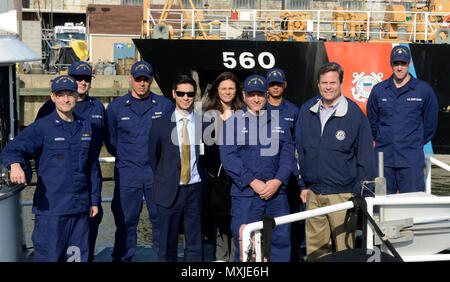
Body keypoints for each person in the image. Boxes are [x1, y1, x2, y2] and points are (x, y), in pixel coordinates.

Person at [0, 75, 101, 262]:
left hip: (80, 210)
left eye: (69, 94)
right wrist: (15, 166)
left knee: (78, 258)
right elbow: (11, 150)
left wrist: (94, 201)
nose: (66, 99)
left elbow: (92, 168)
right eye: (60, 95)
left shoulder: (86, 127)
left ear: (76, 96)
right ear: (52, 97)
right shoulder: (42, 127)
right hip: (52, 212)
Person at [295, 62, 375, 261]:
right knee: (316, 252)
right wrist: (303, 185)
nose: (328, 87)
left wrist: (358, 193)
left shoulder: (355, 114)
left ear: (341, 83)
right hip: (314, 193)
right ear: (318, 84)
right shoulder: (307, 111)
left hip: (343, 195)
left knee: (344, 250)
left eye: (332, 82)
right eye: (324, 83)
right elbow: (299, 150)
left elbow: (366, 157)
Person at [35, 61, 106, 262]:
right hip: (59, 186)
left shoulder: (98, 107)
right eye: (78, 78)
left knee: (86, 236)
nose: (82, 82)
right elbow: (35, 142)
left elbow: (110, 140)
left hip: (89, 178)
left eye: (87, 79)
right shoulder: (49, 109)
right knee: (54, 244)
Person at [219, 74, 295, 262]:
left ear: (266, 95)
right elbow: (229, 159)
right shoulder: (232, 123)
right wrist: (253, 182)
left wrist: (277, 182)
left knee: (279, 243)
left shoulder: (281, 122)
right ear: (244, 96)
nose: (256, 99)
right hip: (246, 195)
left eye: (260, 94)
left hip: (277, 196)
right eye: (251, 94)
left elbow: (288, 158)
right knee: (246, 245)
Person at [105, 61, 174, 262]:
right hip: (128, 174)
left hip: (157, 174)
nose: (142, 83)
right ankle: (122, 258)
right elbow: (110, 141)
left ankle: (165, 258)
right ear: (131, 78)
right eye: (138, 79)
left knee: (161, 221)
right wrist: (128, 158)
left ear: (151, 80)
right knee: (126, 221)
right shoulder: (116, 107)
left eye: (145, 79)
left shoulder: (164, 105)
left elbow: (171, 139)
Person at [148, 74, 209, 262]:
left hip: (195, 190)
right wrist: (168, 177)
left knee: (195, 244)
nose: (185, 97)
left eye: (189, 94)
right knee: (166, 246)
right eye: (181, 93)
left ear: (195, 96)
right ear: (174, 94)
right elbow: (153, 157)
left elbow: (208, 158)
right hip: (168, 190)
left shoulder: (205, 124)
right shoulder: (159, 124)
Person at [367, 45, 439, 194]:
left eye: (403, 63)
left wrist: (413, 142)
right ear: (391, 64)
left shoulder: (424, 90)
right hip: (383, 160)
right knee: (382, 208)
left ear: (410, 64)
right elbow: (372, 123)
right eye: (396, 63)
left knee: (411, 207)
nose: (399, 68)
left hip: (411, 161)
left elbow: (430, 125)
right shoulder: (379, 90)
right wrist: (384, 139)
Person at [203, 71, 244, 261]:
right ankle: (221, 259)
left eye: (231, 88)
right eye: (223, 88)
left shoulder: (245, 114)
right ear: (216, 90)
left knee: (238, 222)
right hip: (216, 181)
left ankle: (238, 260)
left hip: (239, 179)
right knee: (219, 224)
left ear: (237, 90)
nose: (227, 92)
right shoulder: (206, 115)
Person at [265, 67, 304, 261]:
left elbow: (298, 142)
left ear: (284, 85)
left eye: (278, 84)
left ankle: (293, 253)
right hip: (266, 169)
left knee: (290, 214)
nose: (275, 87)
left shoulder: (293, 110)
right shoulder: (260, 108)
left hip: (287, 170)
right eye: (272, 84)